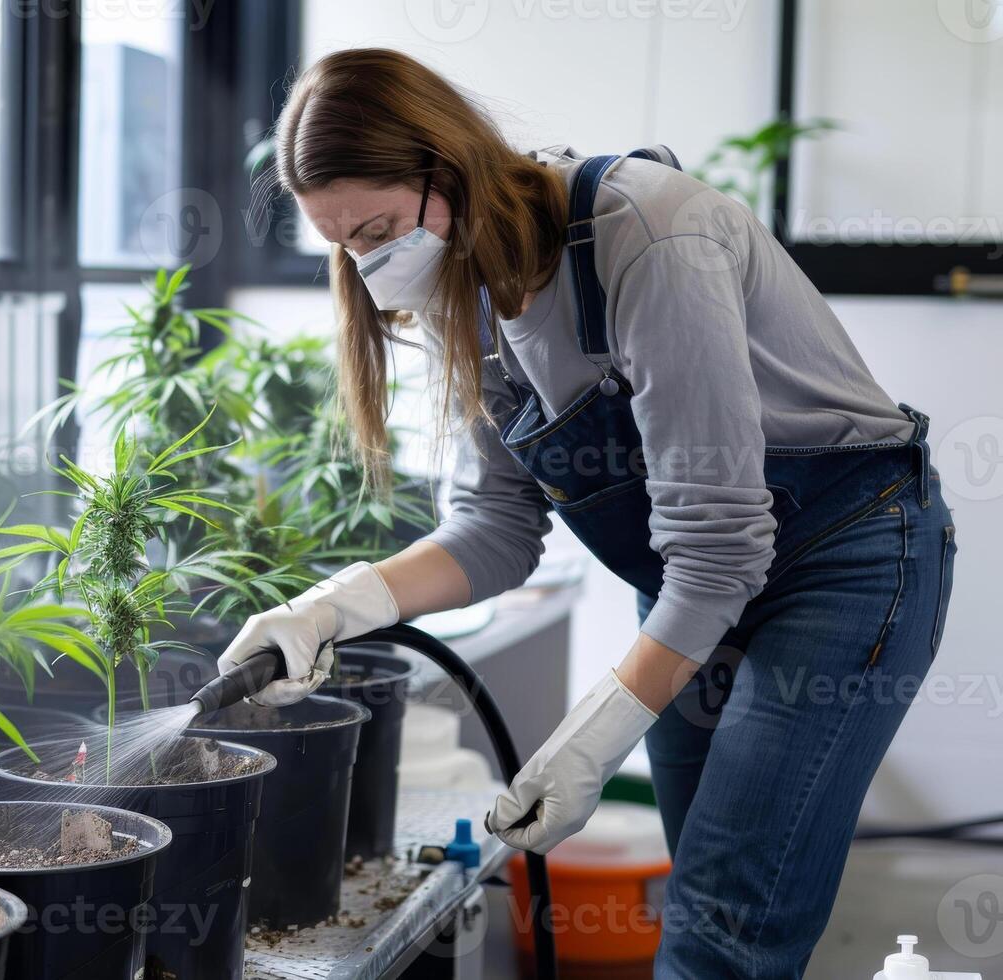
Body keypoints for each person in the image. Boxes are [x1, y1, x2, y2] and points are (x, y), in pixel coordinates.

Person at [216, 48, 959, 978]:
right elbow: (493, 529)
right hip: (693, 583)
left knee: (728, 923)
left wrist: (593, 740)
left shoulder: (648, 237)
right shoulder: (467, 290)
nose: (371, 267)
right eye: (346, 246)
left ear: (449, 168)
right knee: (703, 879)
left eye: (379, 228)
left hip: (841, 558)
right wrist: (327, 610)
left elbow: (720, 552)